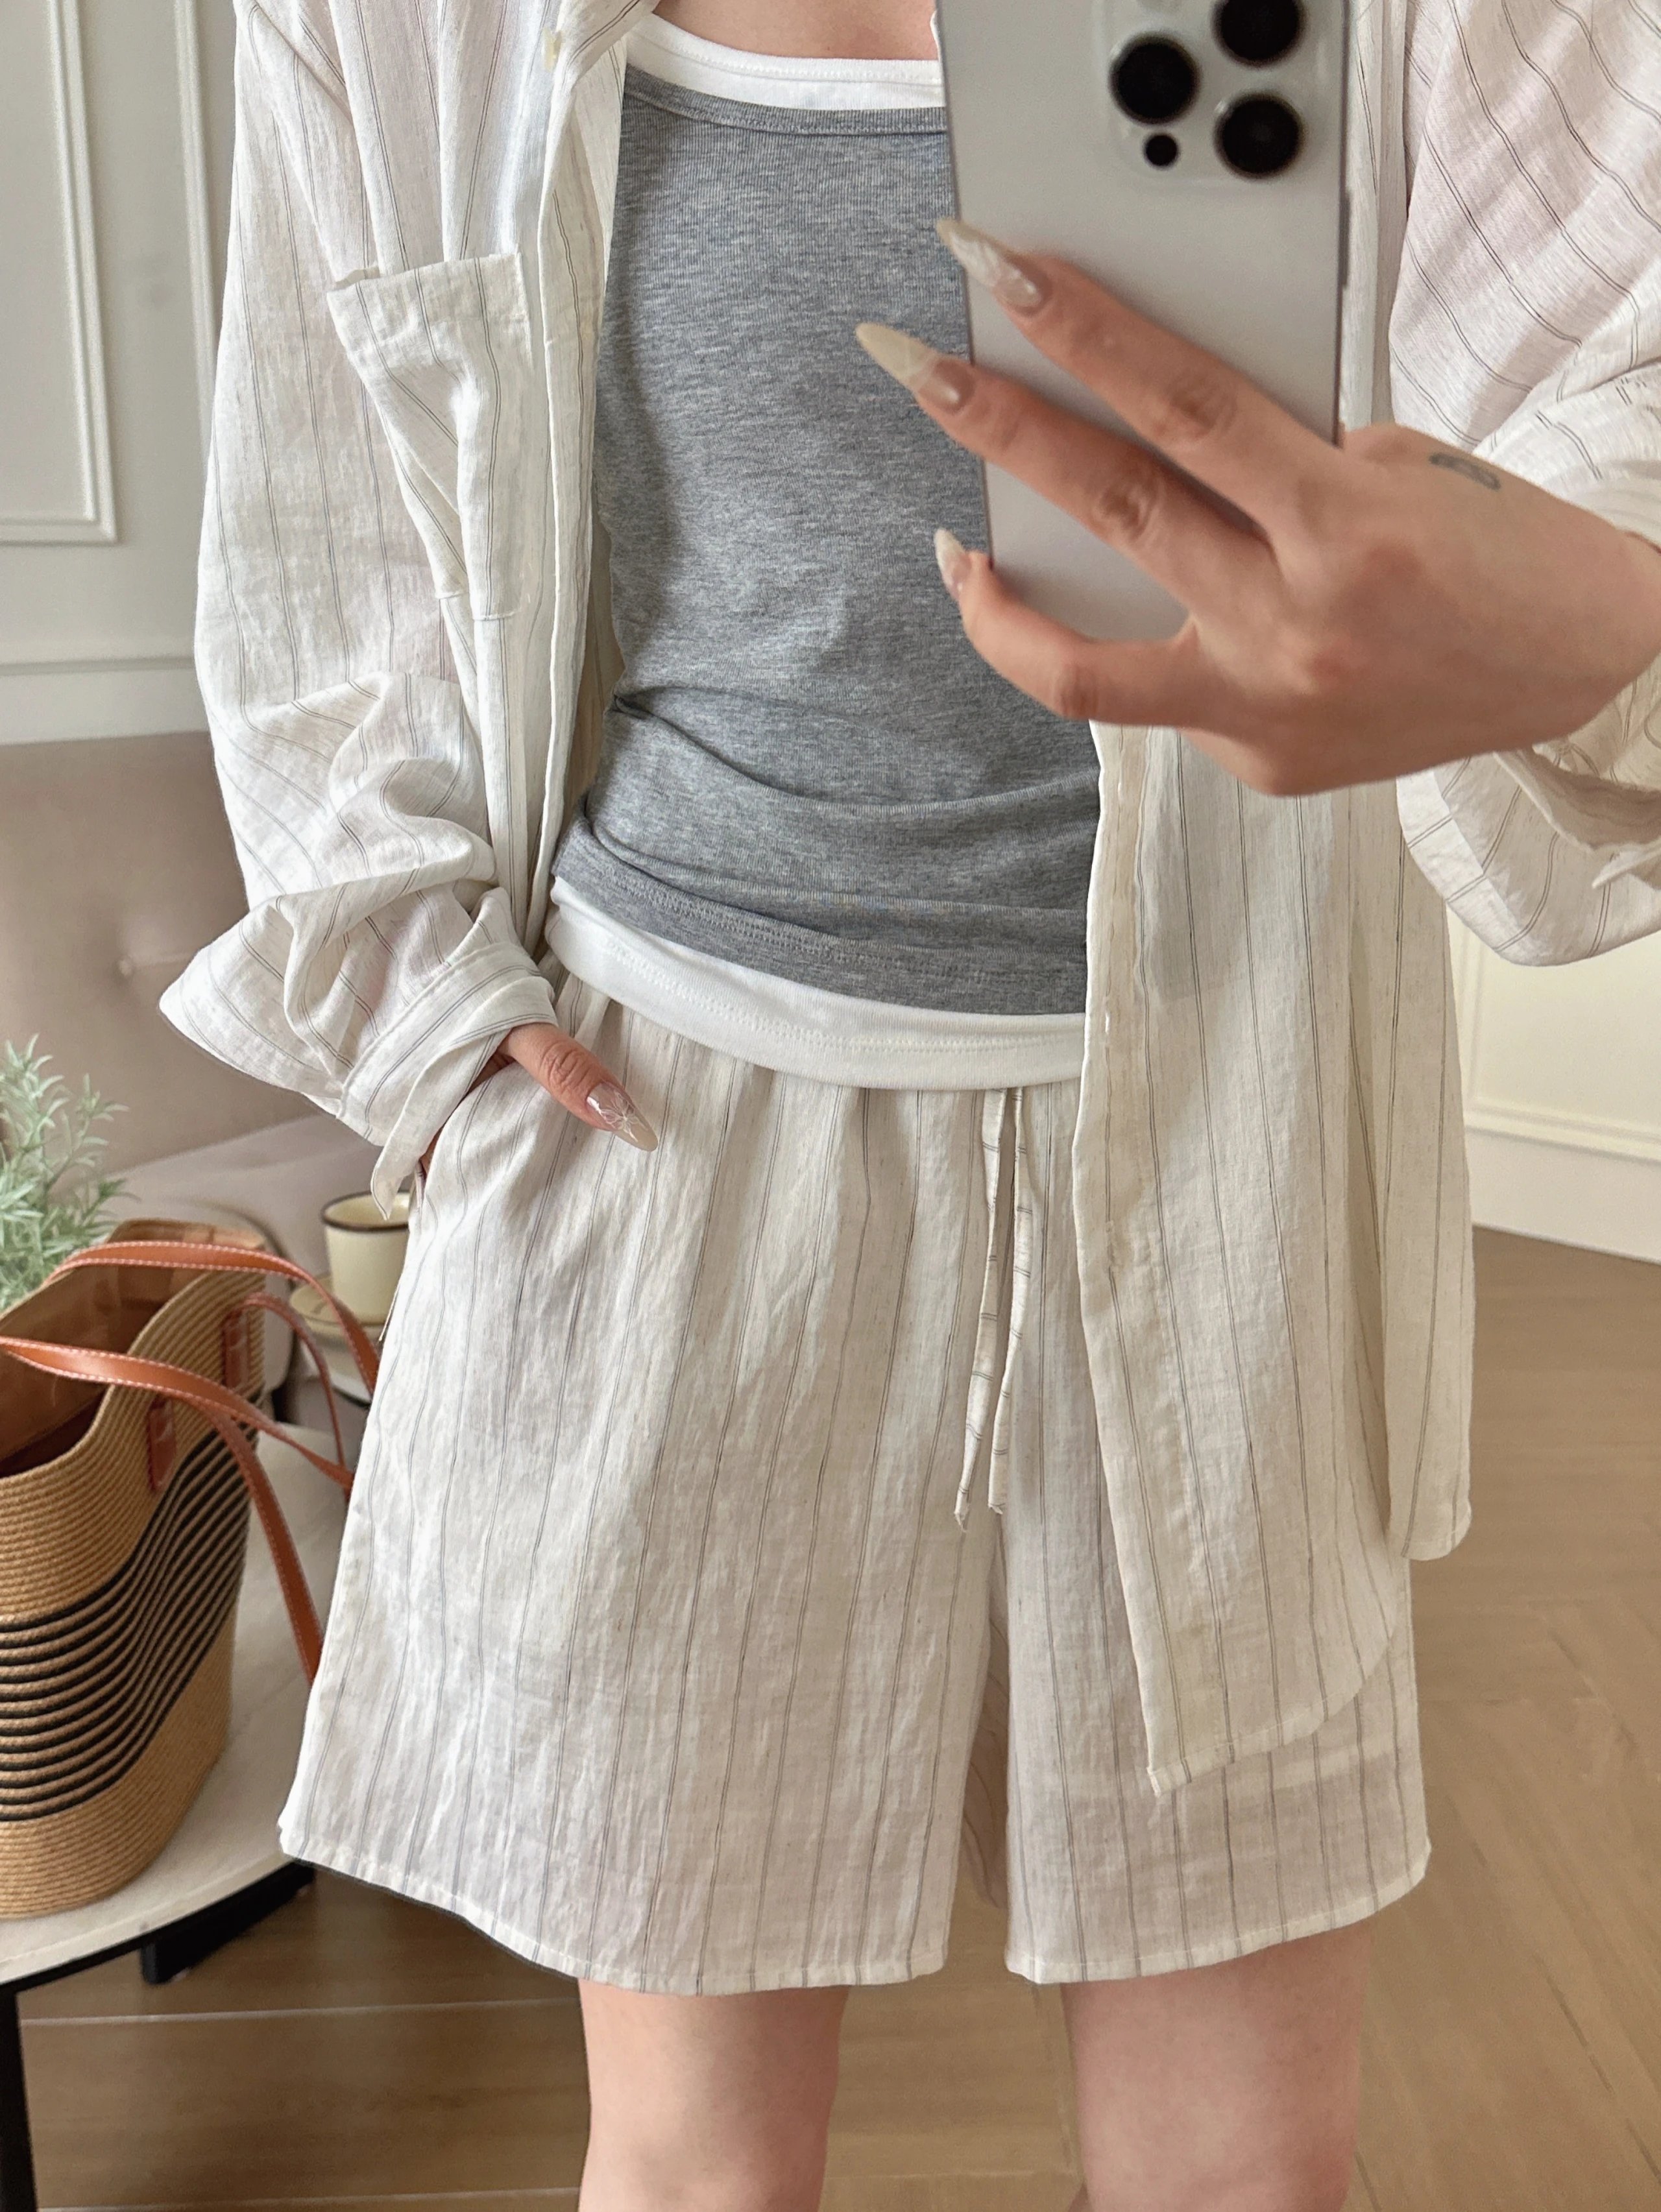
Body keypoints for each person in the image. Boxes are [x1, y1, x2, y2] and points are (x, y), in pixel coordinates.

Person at [164, 0, 1661, 2205]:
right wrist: (428, 1013)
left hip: (1234, 1110)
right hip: (666, 1127)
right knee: (699, 2163)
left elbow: (1629, 365)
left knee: (1250, 2164)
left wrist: (1602, 601)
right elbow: (325, 535)